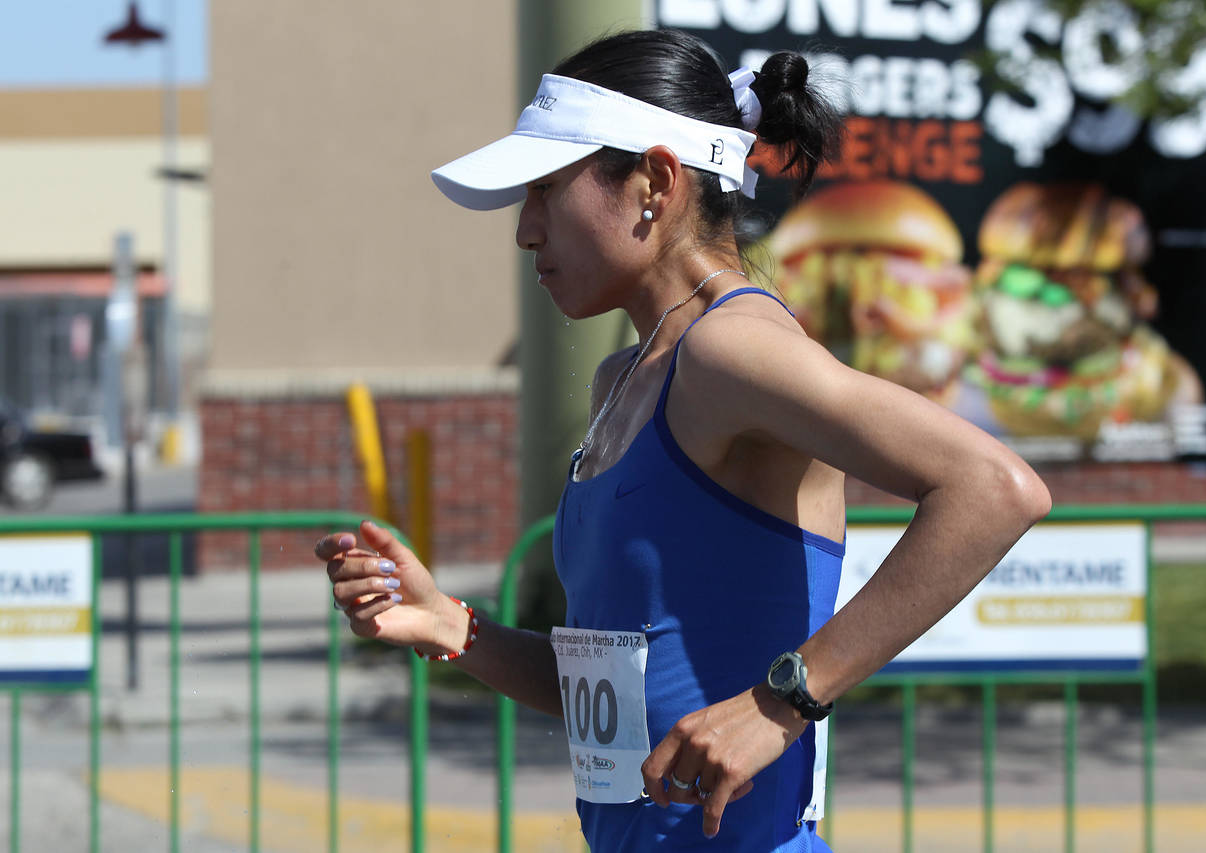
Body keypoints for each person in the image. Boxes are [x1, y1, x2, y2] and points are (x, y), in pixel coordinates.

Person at [319, 29, 1051, 852]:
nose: (526, 231)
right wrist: (456, 626)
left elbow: (995, 488)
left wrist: (786, 699)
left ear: (655, 183)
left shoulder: (728, 350)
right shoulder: (625, 378)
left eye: (547, 190)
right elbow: (628, 689)